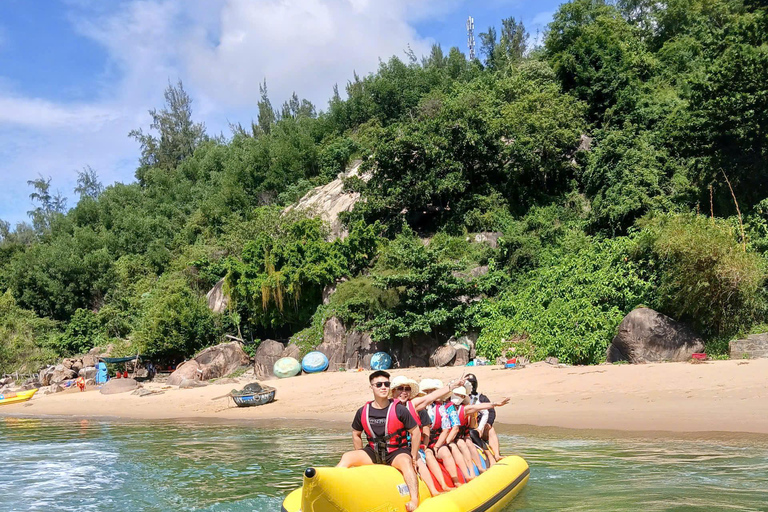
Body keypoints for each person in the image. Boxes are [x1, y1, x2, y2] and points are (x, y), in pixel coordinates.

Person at [338, 370, 422, 512]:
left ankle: (414, 498)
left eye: (386, 384)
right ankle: (333, 485)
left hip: (395, 452)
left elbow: (416, 432)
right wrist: (359, 454)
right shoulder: (362, 411)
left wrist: (413, 456)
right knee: (347, 457)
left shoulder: (400, 410)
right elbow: (356, 433)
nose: (383, 387)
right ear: (372, 387)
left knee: (406, 463)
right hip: (373, 452)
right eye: (379, 384)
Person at [448, 386, 510, 479]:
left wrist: (495, 404)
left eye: (461, 395)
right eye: (456, 394)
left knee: (467, 442)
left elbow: (478, 408)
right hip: (447, 438)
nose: (458, 397)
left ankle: (478, 468)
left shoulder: (464, 409)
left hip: (460, 436)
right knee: (462, 443)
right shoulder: (444, 407)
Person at [465, 373, 501, 458]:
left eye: (473, 384)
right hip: (466, 426)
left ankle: (496, 455)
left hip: (480, 426)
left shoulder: (481, 398)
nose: (471, 386)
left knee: (490, 429)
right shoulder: (461, 397)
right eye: (469, 384)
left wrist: (488, 423)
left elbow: (490, 412)